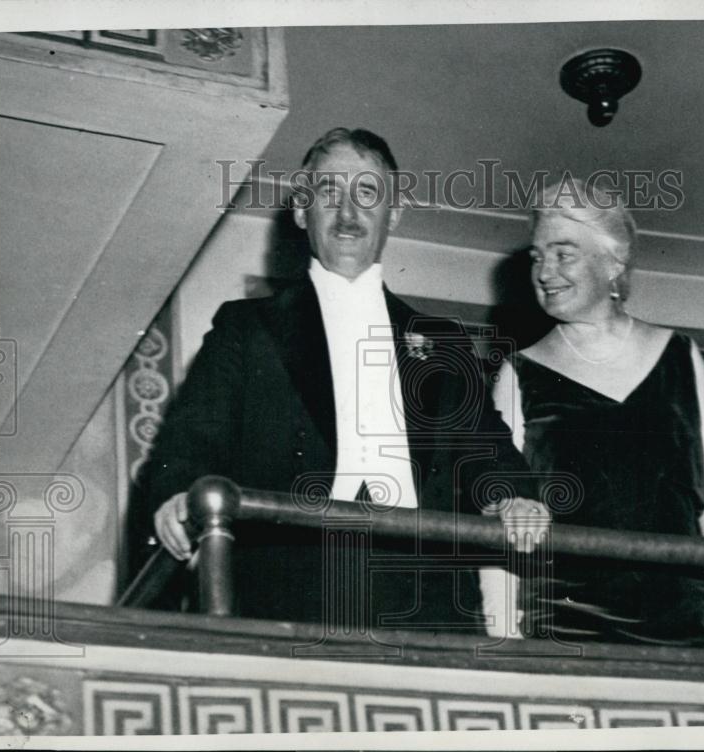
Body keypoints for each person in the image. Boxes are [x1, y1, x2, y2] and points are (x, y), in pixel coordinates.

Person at [132, 127, 543, 634]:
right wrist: (177, 496)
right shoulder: (246, 328)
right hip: (289, 598)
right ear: (301, 212)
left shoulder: (445, 342)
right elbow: (191, 443)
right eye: (329, 192)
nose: (348, 214)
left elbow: (490, 453)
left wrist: (512, 496)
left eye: (367, 193)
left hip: (428, 606)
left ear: (393, 214)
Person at [481, 178, 704, 650]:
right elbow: (504, 523)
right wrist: (503, 640)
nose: (545, 272)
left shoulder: (679, 355)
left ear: (614, 263)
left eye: (564, 254)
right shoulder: (518, 373)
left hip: (684, 632)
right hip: (566, 633)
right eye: (537, 257)